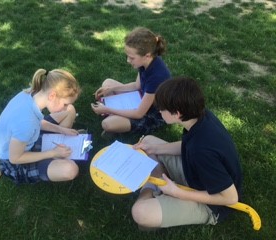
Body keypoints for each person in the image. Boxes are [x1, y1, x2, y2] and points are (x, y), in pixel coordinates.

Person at [132, 77, 242, 229]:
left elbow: (231, 198)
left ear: (176, 113)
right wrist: (155, 149)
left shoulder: (202, 152)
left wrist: (177, 193)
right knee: (149, 142)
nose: (159, 110)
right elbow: (189, 144)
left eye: (161, 108)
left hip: (211, 202)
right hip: (196, 175)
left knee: (140, 213)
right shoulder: (200, 116)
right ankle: (162, 189)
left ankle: (152, 190)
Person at [0, 68, 81, 184]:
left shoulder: (31, 93)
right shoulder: (26, 123)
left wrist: (63, 130)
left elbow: (37, 122)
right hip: (16, 162)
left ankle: (57, 152)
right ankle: (56, 156)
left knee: (70, 111)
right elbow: (15, 158)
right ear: (52, 96)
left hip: (27, 139)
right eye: (64, 104)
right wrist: (53, 153)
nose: (65, 107)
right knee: (70, 170)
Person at [91, 27, 171, 136]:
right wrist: (112, 89)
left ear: (147, 55)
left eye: (131, 58)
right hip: (141, 98)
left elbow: (139, 114)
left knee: (107, 124)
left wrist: (108, 109)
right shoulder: (145, 62)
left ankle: (115, 119)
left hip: (154, 114)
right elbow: (137, 85)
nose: (128, 61)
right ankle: (118, 117)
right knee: (107, 83)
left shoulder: (157, 76)